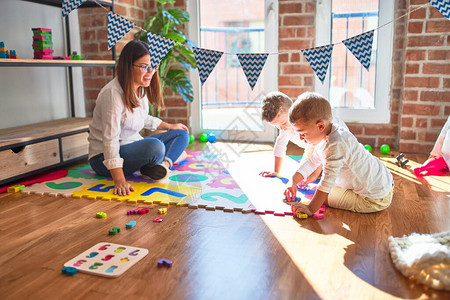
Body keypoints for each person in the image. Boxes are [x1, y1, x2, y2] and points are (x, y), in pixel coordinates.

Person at [88, 40, 189, 196]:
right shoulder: (112, 94)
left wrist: (170, 126)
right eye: (144, 67)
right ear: (128, 66)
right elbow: (110, 139)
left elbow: (143, 118)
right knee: (155, 147)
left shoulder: (140, 89)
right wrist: (119, 180)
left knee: (181, 134)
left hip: (131, 145)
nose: (150, 72)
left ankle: (162, 166)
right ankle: (154, 163)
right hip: (102, 159)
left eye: (153, 66)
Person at [284, 92, 394, 216]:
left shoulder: (335, 144)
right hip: (381, 182)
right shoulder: (329, 133)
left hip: (373, 199)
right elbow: (313, 162)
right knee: (319, 192)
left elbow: (326, 182)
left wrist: (310, 209)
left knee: (322, 196)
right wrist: (293, 181)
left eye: (302, 133)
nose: (300, 137)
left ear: (320, 126)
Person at [260, 91, 348, 185]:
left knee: (337, 174)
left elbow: (322, 148)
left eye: (283, 123)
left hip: (334, 142)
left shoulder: (307, 122)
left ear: (292, 112)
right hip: (312, 147)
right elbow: (279, 147)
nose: (281, 128)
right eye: (276, 126)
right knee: (301, 174)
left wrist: (315, 175)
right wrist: (276, 171)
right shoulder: (285, 129)